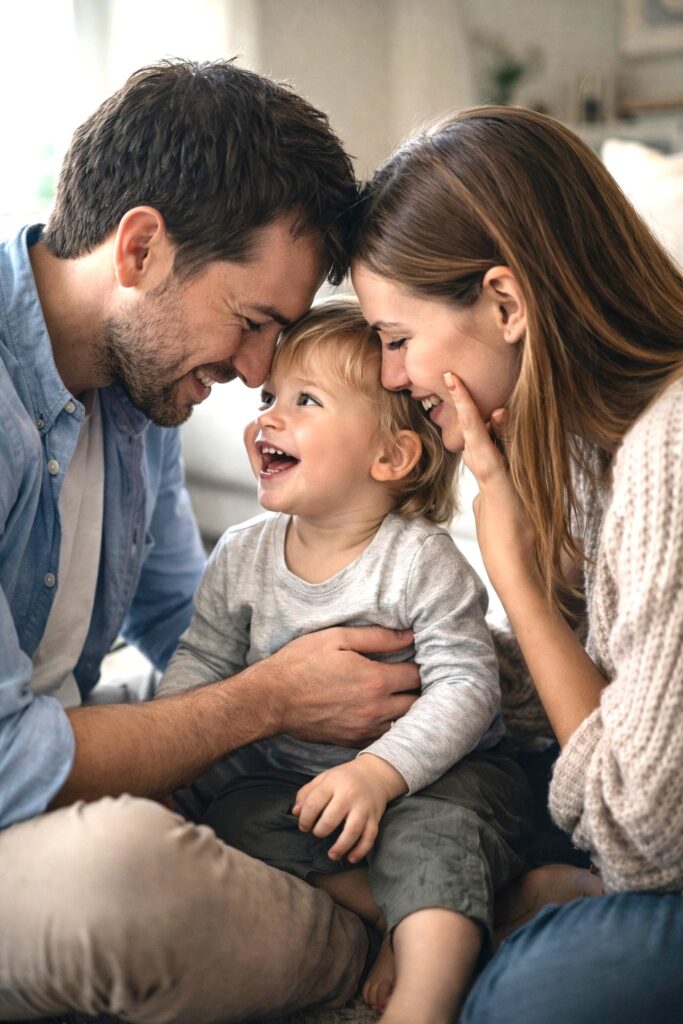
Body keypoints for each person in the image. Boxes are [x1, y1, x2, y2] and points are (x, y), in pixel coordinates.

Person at [0, 59, 424, 1024]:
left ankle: (429, 899)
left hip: (58, 753)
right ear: (141, 246)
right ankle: (392, 950)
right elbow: (10, 762)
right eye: (252, 321)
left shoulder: (134, 397)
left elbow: (186, 628)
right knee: (121, 877)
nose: (253, 372)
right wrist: (270, 698)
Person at [351, 104, 683, 1024]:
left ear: (504, 303)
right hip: (641, 808)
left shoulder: (670, 447)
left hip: (655, 840)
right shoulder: (584, 448)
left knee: (526, 995)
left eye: (394, 337)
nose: (389, 378)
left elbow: (645, 840)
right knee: (433, 807)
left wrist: (516, 578)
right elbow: (591, 689)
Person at [157, 298, 530, 1024]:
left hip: (432, 779)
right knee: (230, 822)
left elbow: (467, 686)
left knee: (437, 832)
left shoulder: (421, 561)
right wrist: (171, 771)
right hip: (299, 790)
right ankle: (419, 905)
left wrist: (377, 772)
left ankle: (422, 998)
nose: (268, 416)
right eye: (269, 398)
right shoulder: (242, 555)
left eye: (304, 401)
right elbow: (201, 664)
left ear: (389, 456)